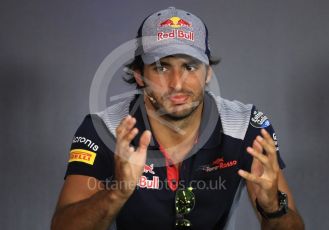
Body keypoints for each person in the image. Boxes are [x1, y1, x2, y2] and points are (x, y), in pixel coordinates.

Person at [51, 6, 304, 230]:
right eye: (162, 67)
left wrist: (273, 209)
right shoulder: (103, 128)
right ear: (139, 75)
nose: (177, 83)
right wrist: (116, 192)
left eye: (190, 66)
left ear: (207, 73)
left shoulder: (246, 126)